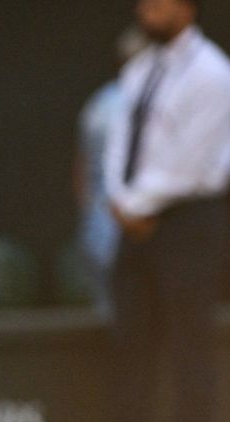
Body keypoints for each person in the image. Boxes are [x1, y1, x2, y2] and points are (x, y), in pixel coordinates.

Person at [105, 0, 230, 422]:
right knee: (130, 346)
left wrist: (139, 204)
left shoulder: (215, 73)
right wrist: (121, 201)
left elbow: (192, 160)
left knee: (190, 349)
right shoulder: (141, 68)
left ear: (186, 8)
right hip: (134, 224)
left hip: (190, 223)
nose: (148, 10)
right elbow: (118, 140)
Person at [74, 28, 147, 315]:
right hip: (126, 224)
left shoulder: (99, 102)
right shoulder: (137, 105)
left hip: (95, 221)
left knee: (108, 314)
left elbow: (79, 172)